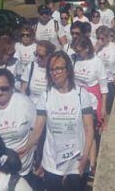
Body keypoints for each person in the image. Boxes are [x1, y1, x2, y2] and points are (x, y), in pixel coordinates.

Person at [32, 51, 94, 191]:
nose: (55, 72)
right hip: (52, 161)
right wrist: (26, 148)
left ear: (68, 71)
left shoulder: (81, 94)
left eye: (59, 68)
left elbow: (89, 129)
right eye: (52, 69)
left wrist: (86, 156)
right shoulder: (46, 96)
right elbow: (38, 130)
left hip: (76, 160)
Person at [0, 69, 38, 186]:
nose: (0, 92)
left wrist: (33, 151)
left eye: (4, 88)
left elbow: (37, 130)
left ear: (12, 87)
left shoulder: (24, 103)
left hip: (23, 168)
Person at [70, 36, 107, 176]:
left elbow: (103, 86)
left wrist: (103, 106)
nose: (77, 53)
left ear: (87, 48)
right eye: (75, 50)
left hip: (92, 101)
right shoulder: (74, 59)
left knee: (89, 131)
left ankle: (92, 163)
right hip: (77, 99)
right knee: (80, 131)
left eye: (79, 51)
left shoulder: (96, 62)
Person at [94, 27, 115, 114]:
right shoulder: (95, 47)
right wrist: (97, 47)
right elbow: (89, 60)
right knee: (97, 108)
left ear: (108, 37)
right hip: (97, 82)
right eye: (98, 38)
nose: (100, 40)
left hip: (110, 82)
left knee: (107, 108)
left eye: (102, 38)